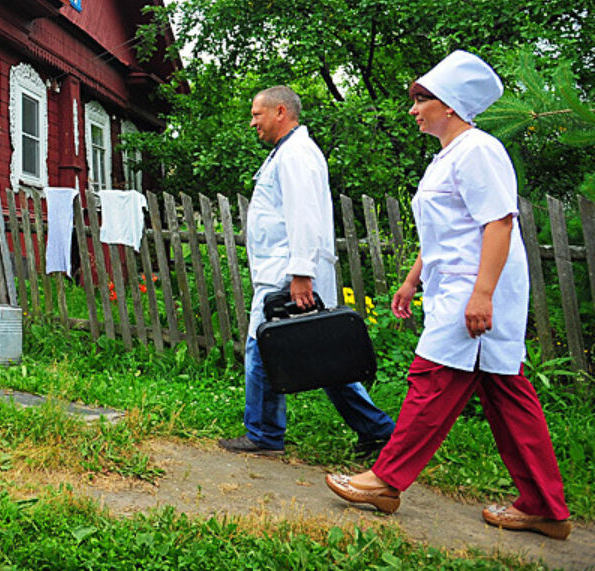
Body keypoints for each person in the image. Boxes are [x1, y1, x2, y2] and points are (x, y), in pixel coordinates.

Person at [325, 51, 571, 541]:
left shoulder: (478, 149)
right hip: (457, 285)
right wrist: (413, 277)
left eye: (423, 99)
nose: (414, 108)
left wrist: (482, 295)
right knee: (508, 397)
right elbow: (448, 231)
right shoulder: (451, 155)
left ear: (452, 105)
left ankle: (385, 480)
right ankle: (546, 508)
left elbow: (498, 223)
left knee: (431, 380)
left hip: (475, 291)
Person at [220, 86, 395, 456]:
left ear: (280, 112)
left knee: (262, 347)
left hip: (288, 272)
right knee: (322, 354)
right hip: (286, 268)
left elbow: (304, 214)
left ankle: (264, 435)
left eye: (257, 114)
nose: (253, 123)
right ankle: (378, 429)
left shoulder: (296, 155)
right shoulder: (289, 153)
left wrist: (301, 272)